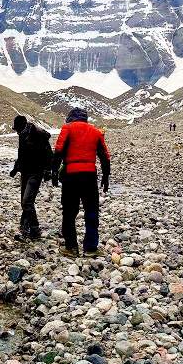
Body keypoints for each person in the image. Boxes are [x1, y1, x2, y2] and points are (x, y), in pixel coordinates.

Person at [51, 107, 110, 257]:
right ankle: (91, 248)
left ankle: (71, 247)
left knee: (69, 212)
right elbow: (104, 156)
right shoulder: (96, 132)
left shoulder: (67, 128)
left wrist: (54, 172)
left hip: (71, 176)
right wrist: (106, 177)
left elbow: (58, 151)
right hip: (89, 176)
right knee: (91, 211)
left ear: (71, 117)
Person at [10, 115, 52, 241]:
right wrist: (15, 169)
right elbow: (21, 154)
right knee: (25, 201)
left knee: (27, 201)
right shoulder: (22, 134)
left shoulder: (36, 134)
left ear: (22, 126)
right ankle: (24, 227)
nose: (16, 132)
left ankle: (35, 229)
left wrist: (48, 171)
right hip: (25, 172)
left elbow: (48, 152)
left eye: (17, 129)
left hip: (36, 172)